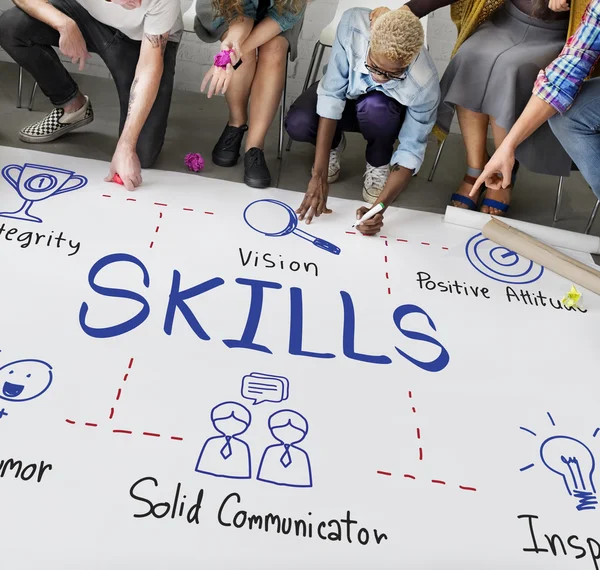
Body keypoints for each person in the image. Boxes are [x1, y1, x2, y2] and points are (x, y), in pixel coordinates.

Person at [372, 0, 595, 217]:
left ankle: (501, 173)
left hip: (557, 36)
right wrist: (407, 10)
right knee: (469, 58)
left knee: (509, 70)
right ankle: (476, 168)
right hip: (505, 23)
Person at [284, 8, 440, 236]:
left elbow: (410, 150)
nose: (378, 77)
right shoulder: (353, 25)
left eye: (391, 75)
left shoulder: (424, 83)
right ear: (370, 40)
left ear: (409, 61)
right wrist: (318, 175)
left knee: (376, 108)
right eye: (373, 66)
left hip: (382, 116)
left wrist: (380, 207)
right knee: (299, 123)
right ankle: (333, 145)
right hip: (346, 97)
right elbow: (332, 94)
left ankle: (378, 162)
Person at [0, 0, 182, 191]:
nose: (137, 2)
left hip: (144, 38)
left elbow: (148, 67)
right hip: (90, 18)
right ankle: (72, 105)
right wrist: (64, 23)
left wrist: (126, 146)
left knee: (141, 153)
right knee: (11, 26)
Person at [470, 0, 600, 202]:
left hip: (549, 34)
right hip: (511, 25)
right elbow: (571, 66)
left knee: (509, 68)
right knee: (568, 116)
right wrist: (508, 147)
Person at [195, 0, 307, 188]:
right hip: (228, 7)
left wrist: (233, 55)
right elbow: (241, 12)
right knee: (243, 54)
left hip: (280, 10)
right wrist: (233, 47)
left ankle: (254, 146)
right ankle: (236, 123)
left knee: (274, 50)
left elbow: (284, 15)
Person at [195, 401, 253, 480]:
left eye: (238, 422)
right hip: (207, 474)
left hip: (235, 477)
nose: (231, 423)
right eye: (223, 420)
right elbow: (204, 462)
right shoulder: (212, 442)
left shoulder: (242, 446)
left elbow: (243, 466)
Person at [256, 409, 312, 488]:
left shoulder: (301, 454)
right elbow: (264, 470)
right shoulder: (271, 450)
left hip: (295, 483)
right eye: (281, 428)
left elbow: (304, 474)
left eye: (295, 430)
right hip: (269, 482)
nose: (288, 431)